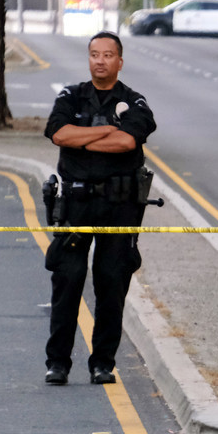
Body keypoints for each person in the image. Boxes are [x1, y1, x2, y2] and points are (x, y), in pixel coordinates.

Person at [43, 31, 157, 386]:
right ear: (89, 58)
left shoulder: (134, 102)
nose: (100, 61)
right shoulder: (71, 95)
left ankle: (102, 363)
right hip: (76, 203)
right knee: (68, 280)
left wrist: (84, 137)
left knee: (111, 283)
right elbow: (59, 134)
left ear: (119, 62)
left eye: (108, 55)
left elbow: (127, 142)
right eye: (94, 54)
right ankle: (58, 363)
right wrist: (106, 129)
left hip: (118, 206)